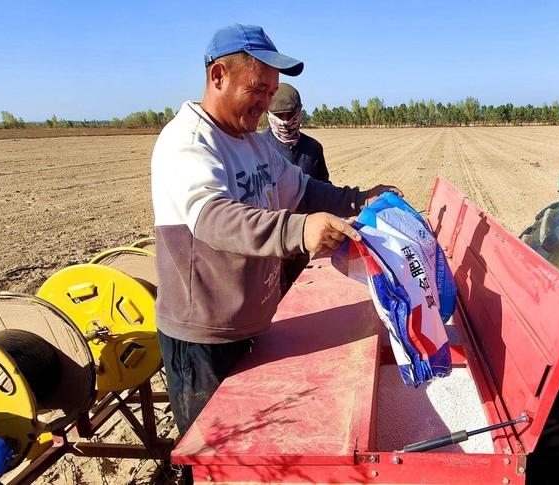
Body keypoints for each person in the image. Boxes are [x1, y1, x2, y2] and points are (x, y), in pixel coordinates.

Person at [150, 23, 400, 482]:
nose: (267, 103)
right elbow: (213, 218)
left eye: (271, 92)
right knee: (217, 461)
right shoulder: (188, 141)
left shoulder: (252, 143)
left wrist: (358, 198)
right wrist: (299, 231)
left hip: (253, 321)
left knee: (256, 455)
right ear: (219, 75)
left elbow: (301, 188)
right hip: (204, 336)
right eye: (258, 89)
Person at [263, 83, 330, 295]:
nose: (285, 121)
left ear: (299, 112)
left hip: (302, 240)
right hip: (270, 244)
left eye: (289, 114)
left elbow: (323, 188)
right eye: (278, 115)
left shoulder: (313, 148)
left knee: (300, 295)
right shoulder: (258, 147)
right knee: (272, 297)